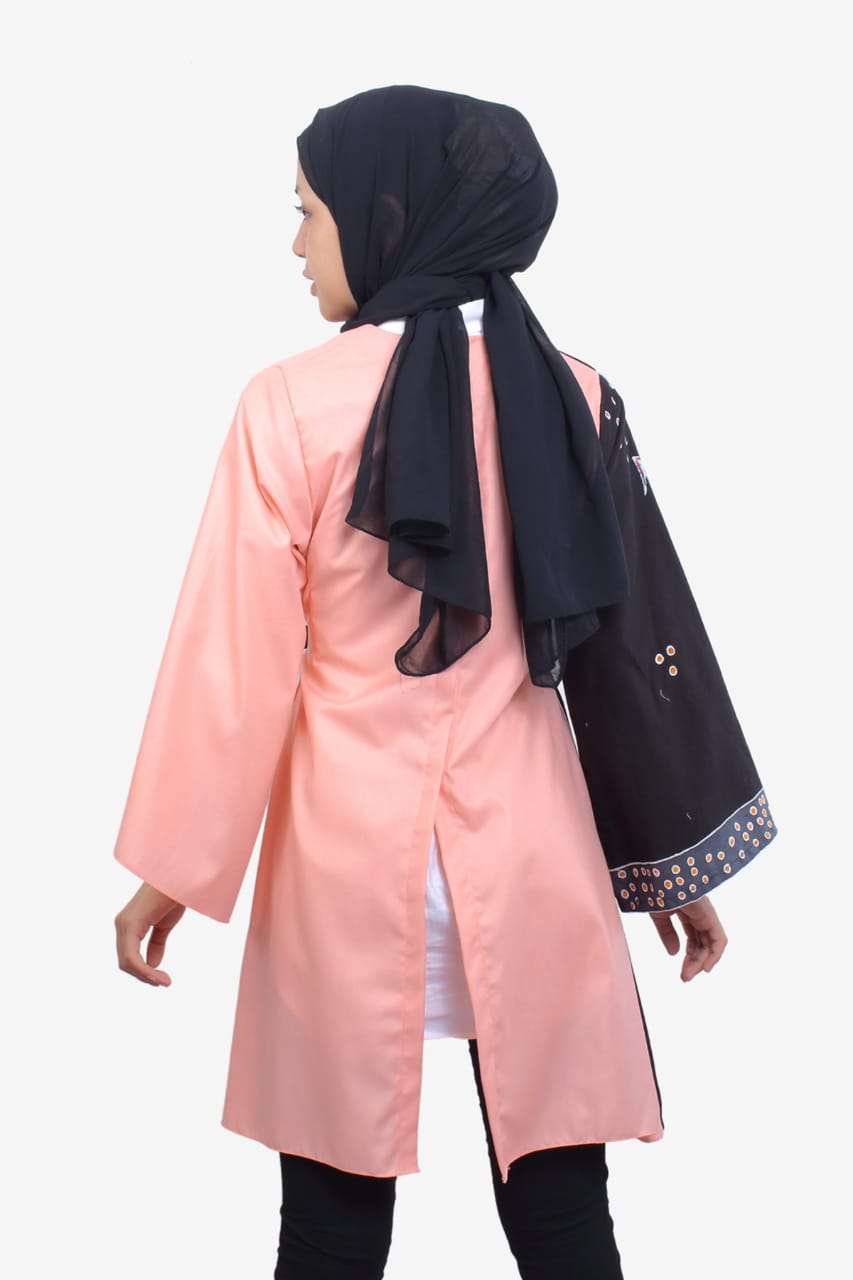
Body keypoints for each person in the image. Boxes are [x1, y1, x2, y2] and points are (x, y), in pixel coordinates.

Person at [113, 85, 779, 1279]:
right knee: (565, 1217)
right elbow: (632, 650)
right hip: (534, 861)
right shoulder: (572, 391)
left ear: (388, 212)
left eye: (308, 211)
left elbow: (232, 669)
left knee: (328, 1224)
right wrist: (665, 863)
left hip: (343, 868)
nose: (297, 244)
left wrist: (172, 870)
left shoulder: (288, 404)